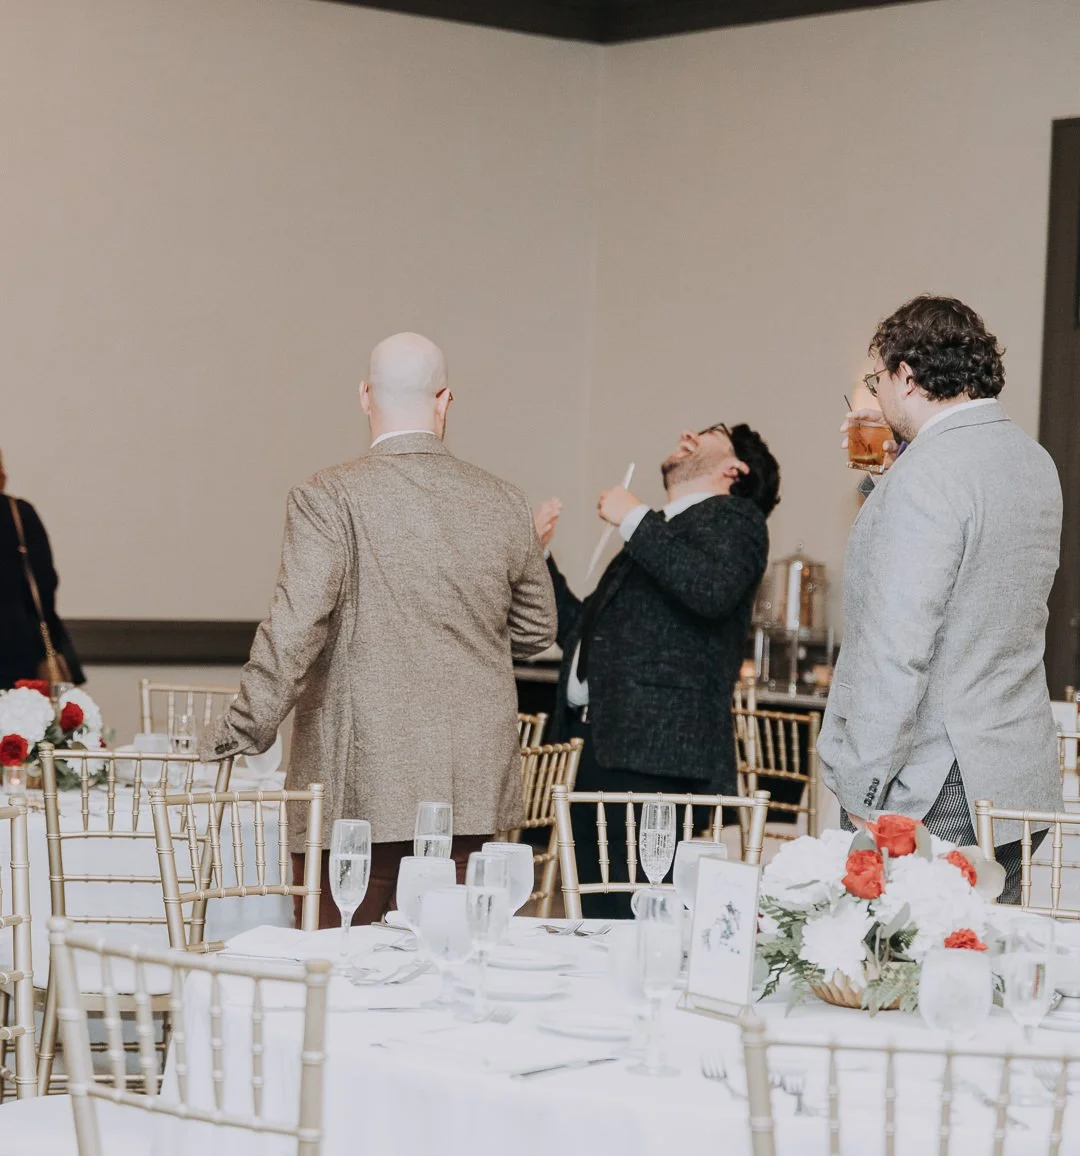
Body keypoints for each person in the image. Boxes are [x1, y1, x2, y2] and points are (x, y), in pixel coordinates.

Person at [201, 333, 557, 926]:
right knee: (454, 968)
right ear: (444, 400)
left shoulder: (328, 496)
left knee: (339, 971)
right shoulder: (504, 501)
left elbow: (295, 628)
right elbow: (537, 628)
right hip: (468, 787)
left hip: (357, 783)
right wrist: (472, 636)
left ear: (365, 396)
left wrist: (239, 732)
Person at [818, 296, 1063, 903]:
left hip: (935, 785)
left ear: (906, 375)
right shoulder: (1035, 462)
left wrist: (862, 789)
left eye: (877, 380)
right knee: (978, 974)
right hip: (1017, 781)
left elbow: (895, 651)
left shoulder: (925, 476)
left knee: (896, 976)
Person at [535, 422, 781, 917]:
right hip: (603, 744)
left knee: (643, 918)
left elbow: (711, 590)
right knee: (592, 917)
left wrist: (634, 518)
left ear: (735, 469)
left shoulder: (738, 520)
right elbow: (583, 631)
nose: (688, 432)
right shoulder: (658, 533)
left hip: (661, 755)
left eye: (709, 433)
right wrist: (537, 555)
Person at [0, 449, 84, 689]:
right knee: (24, 721)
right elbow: (44, 583)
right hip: (19, 648)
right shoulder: (20, 514)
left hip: (17, 649)